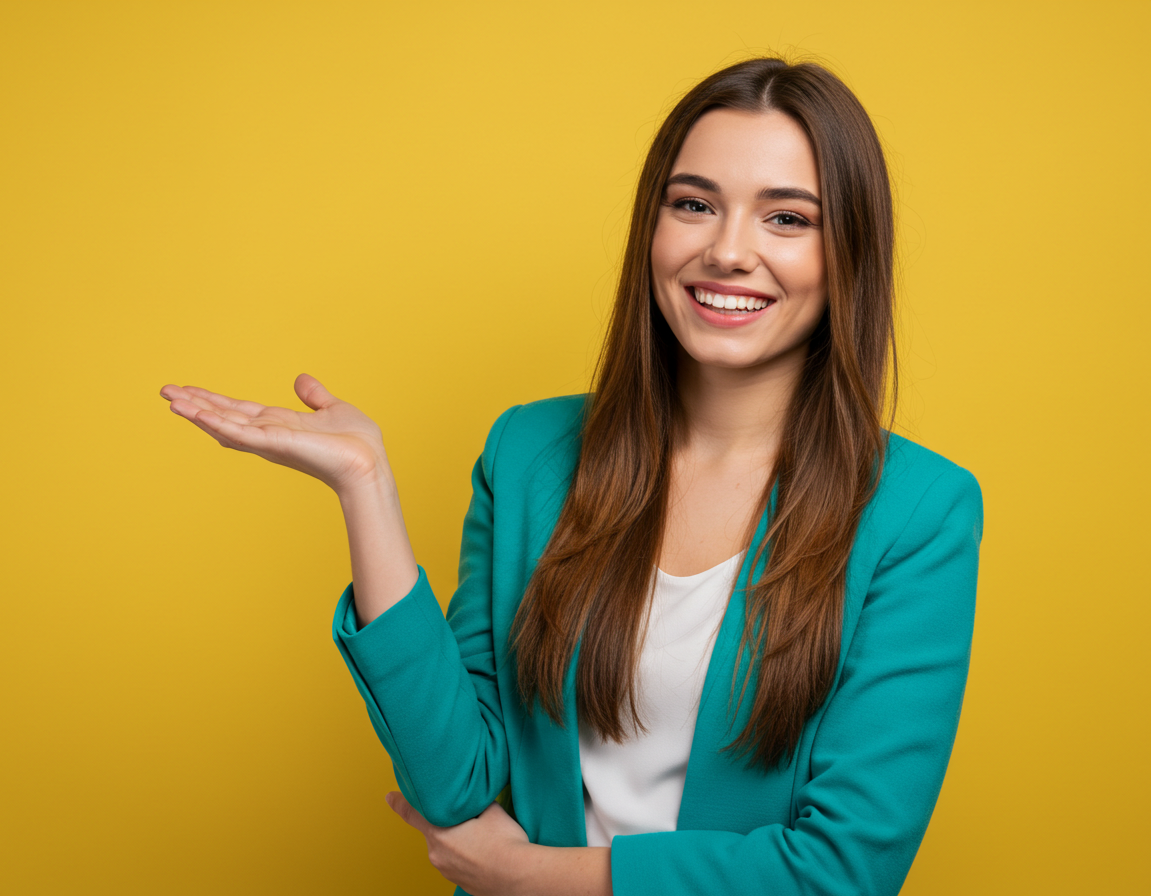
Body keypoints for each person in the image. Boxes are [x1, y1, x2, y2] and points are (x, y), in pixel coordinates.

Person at [159, 57, 982, 896]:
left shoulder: (920, 512)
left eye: (787, 219)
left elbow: (842, 871)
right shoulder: (528, 453)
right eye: (693, 205)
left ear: (849, 251)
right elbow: (456, 782)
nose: (729, 251)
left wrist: (531, 877)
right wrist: (365, 487)